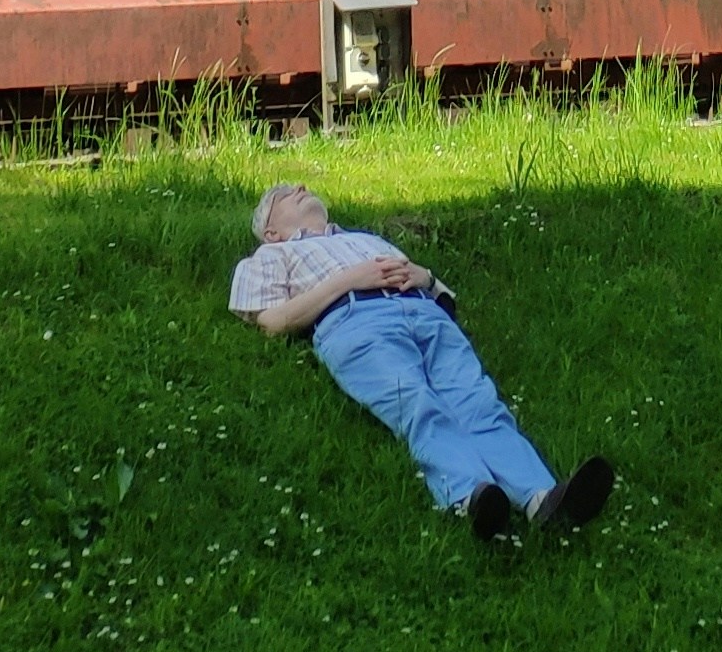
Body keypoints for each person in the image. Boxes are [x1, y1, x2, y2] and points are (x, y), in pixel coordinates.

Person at [229, 181, 614, 542]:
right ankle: (470, 496)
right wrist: (350, 279)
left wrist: (425, 276)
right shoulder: (271, 255)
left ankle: (542, 499)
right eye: (284, 193)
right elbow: (272, 321)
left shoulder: (364, 239)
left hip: (426, 315)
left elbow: (441, 294)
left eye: (302, 186)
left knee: (479, 403)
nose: (300, 188)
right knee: (416, 403)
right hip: (354, 321)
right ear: (271, 232)